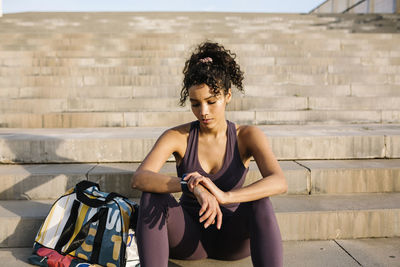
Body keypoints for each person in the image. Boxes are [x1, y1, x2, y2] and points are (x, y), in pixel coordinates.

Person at [131, 41, 288, 267]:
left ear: (228, 96)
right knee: (151, 195)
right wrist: (191, 185)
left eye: (211, 102)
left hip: (232, 239)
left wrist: (226, 197)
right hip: (188, 239)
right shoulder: (178, 136)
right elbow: (140, 178)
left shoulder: (248, 136)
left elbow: (279, 181)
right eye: (195, 104)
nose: (203, 112)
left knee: (260, 202)